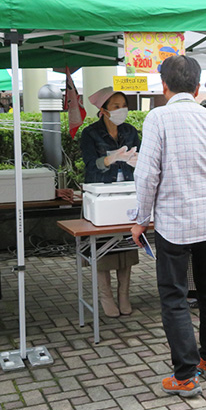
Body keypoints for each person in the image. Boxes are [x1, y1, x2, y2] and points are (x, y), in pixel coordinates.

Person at [131, 55, 206, 398]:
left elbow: (146, 176)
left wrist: (140, 219)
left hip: (174, 224)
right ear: (197, 86)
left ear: (163, 86)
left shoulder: (157, 118)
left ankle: (186, 375)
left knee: (174, 297)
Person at [80, 87, 140, 317]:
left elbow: (139, 155)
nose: (121, 110)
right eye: (115, 106)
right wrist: (109, 159)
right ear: (103, 110)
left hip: (127, 193)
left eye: (123, 105)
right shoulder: (90, 133)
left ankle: (124, 294)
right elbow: (89, 163)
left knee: (127, 246)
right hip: (101, 196)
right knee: (102, 249)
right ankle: (105, 295)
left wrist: (135, 160)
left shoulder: (130, 131)